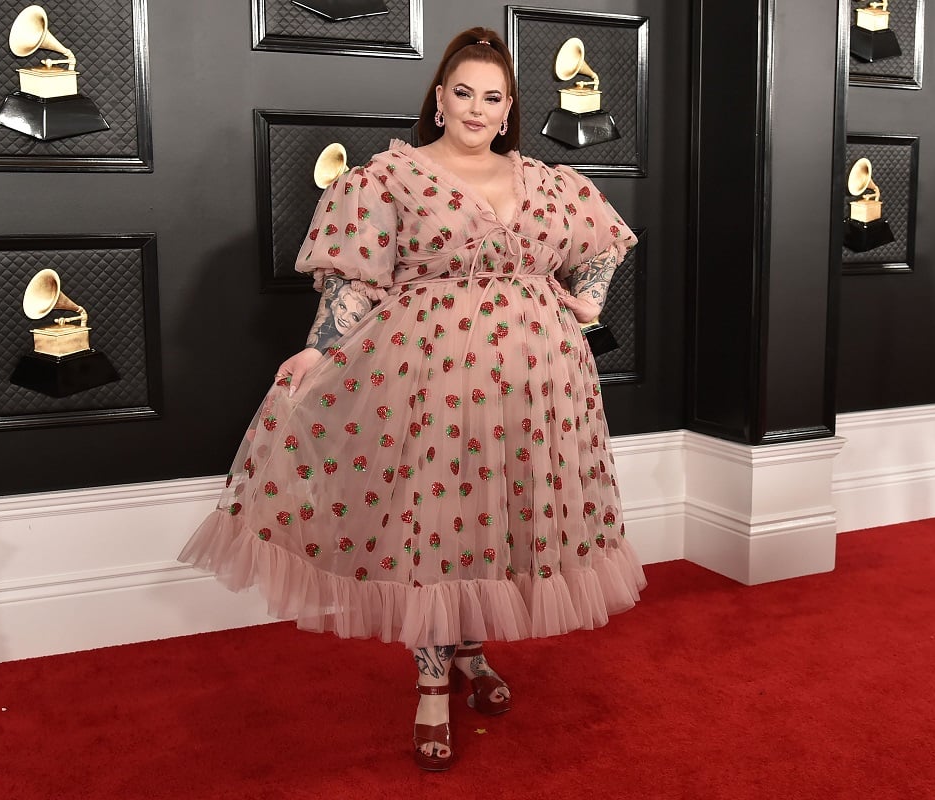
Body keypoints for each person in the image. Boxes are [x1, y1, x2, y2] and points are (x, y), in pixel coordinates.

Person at [178, 26, 647, 771]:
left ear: (509, 108)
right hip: (429, 374)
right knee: (436, 519)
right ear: (438, 99)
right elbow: (355, 280)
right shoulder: (388, 179)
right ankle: (432, 683)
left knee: (496, 513)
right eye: (463, 93)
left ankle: (470, 653)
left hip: (539, 379)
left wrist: (581, 308)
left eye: (493, 98)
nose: (477, 108)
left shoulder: (552, 183)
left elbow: (603, 245)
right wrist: (318, 348)